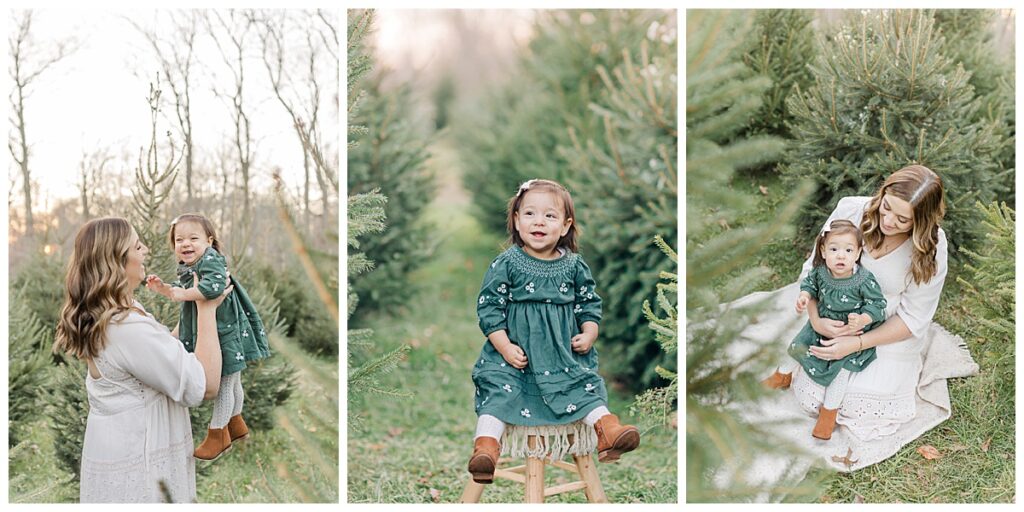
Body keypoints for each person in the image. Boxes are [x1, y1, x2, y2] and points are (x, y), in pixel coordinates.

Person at [466, 178, 640, 484]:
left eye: (550, 216)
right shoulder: (507, 263)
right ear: (517, 220)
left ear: (565, 225)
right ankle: (486, 449)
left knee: (584, 387)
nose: (539, 222)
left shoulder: (574, 265)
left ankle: (608, 430)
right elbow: (489, 308)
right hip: (514, 359)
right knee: (498, 393)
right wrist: (504, 347)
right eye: (530, 214)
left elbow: (589, 303)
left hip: (562, 357)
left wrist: (589, 333)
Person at [54, 217, 231, 503]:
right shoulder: (125, 328)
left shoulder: (120, 314)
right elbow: (205, 384)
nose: (146, 249)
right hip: (141, 470)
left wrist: (194, 302)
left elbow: (163, 350)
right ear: (117, 262)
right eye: (138, 246)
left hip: (121, 453)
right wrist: (206, 306)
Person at [774, 164, 949, 445]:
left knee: (854, 402)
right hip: (829, 308)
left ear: (921, 221)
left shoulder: (932, 247)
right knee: (812, 394)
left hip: (884, 328)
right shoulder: (851, 211)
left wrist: (856, 343)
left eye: (903, 219)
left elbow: (914, 318)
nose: (889, 221)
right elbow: (814, 268)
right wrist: (817, 320)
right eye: (887, 208)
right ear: (882, 195)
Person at [146, 214, 271, 462]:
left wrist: (182, 295)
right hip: (217, 328)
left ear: (209, 241)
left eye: (193, 238)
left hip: (225, 331)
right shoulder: (190, 265)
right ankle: (235, 423)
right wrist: (166, 289)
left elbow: (213, 288)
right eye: (179, 239)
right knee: (234, 381)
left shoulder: (211, 259)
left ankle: (218, 434)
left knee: (225, 380)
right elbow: (184, 290)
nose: (185, 244)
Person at [762, 220, 886, 440]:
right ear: (823, 251)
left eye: (848, 250)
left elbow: (877, 305)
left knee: (840, 373)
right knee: (797, 347)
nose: (841, 256)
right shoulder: (821, 272)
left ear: (857, 253)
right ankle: (782, 375)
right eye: (834, 249)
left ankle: (828, 414)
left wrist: (863, 319)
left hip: (850, 334)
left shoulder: (864, 280)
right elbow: (809, 285)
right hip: (821, 326)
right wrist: (804, 297)